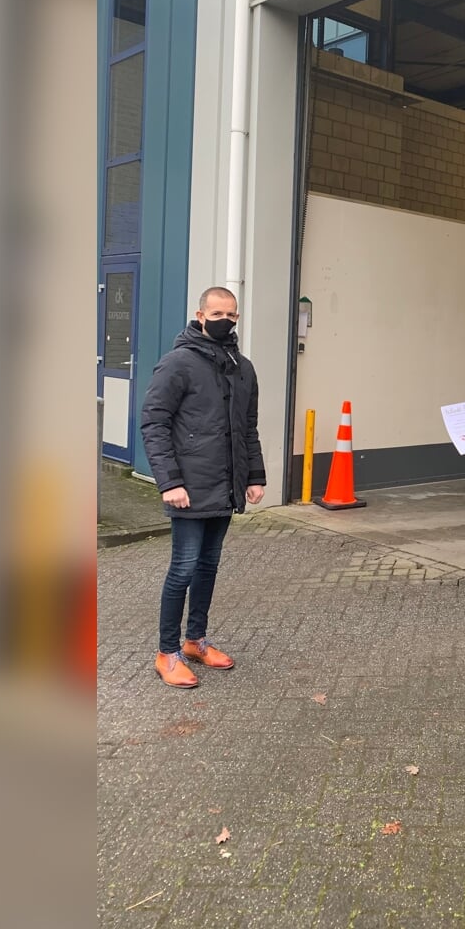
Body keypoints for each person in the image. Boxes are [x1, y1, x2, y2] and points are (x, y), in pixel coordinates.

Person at [138, 287, 267, 688]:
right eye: (217, 312)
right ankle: (167, 652)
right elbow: (154, 423)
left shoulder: (242, 367)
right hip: (188, 489)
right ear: (199, 314)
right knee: (183, 568)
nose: (224, 319)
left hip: (225, 487)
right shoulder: (177, 363)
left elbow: (247, 428)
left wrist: (255, 476)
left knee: (208, 567)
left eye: (231, 313)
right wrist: (170, 482)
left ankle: (195, 640)